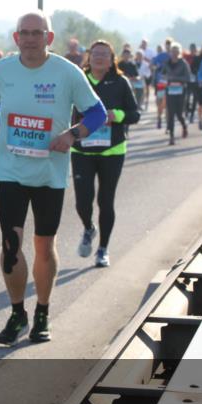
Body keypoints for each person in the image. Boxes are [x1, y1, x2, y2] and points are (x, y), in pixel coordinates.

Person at [0, 11, 106, 345]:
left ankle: (43, 312)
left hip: (50, 174)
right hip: (10, 171)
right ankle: (18, 312)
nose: (31, 38)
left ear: (49, 38)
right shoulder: (3, 69)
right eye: (25, 33)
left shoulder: (67, 72)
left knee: (44, 246)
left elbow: (97, 112)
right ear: (16, 37)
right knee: (11, 245)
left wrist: (72, 135)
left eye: (38, 33)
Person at [71, 41, 139, 268]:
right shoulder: (77, 80)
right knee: (82, 201)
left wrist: (116, 115)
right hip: (81, 149)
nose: (100, 58)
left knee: (106, 200)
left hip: (112, 150)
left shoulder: (120, 82)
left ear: (112, 60)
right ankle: (89, 228)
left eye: (105, 55)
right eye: (96, 54)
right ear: (88, 57)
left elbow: (134, 114)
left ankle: (102, 249)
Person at [162, 43, 192, 144]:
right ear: (170, 53)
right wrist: (164, 79)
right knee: (170, 113)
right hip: (170, 90)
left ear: (179, 53)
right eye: (173, 52)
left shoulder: (183, 63)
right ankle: (171, 137)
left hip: (180, 91)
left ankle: (184, 126)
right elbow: (162, 75)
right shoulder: (166, 63)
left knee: (179, 113)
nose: (174, 54)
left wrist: (175, 79)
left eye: (176, 52)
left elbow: (188, 78)